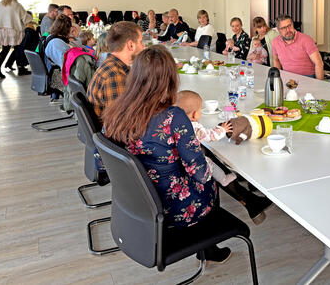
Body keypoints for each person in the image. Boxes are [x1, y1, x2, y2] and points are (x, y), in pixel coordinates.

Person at [102, 46, 231, 262]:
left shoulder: (116, 110)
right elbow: (198, 173)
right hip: (173, 207)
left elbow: (104, 159)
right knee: (213, 177)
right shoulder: (174, 116)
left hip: (139, 201)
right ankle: (208, 247)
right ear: (170, 79)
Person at [87, 21, 144, 121]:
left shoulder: (111, 65)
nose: (143, 46)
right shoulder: (114, 75)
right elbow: (121, 122)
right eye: (140, 42)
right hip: (115, 133)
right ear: (130, 45)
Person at [177, 90, 236, 186]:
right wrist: (223, 129)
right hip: (191, 163)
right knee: (209, 162)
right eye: (200, 109)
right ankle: (223, 179)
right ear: (195, 114)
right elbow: (209, 136)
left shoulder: (175, 123)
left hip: (178, 159)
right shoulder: (193, 126)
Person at [271, 15, 324, 80]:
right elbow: (276, 60)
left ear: (293, 25)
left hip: (307, 78)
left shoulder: (306, 40)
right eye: (284, 28)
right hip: (287, 77)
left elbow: (319, 62)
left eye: (289, 26)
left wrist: (319, 84)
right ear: (278, 30)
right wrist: (277, 79)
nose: (288, 30)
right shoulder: (275, 42)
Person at [0, 0, 28, 79]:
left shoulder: (0, 4)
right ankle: (20, 69)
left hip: (3, 31)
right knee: (18, 49)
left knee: (4, 50)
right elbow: (25, 17)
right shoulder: (17, 5)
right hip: (14, 30)